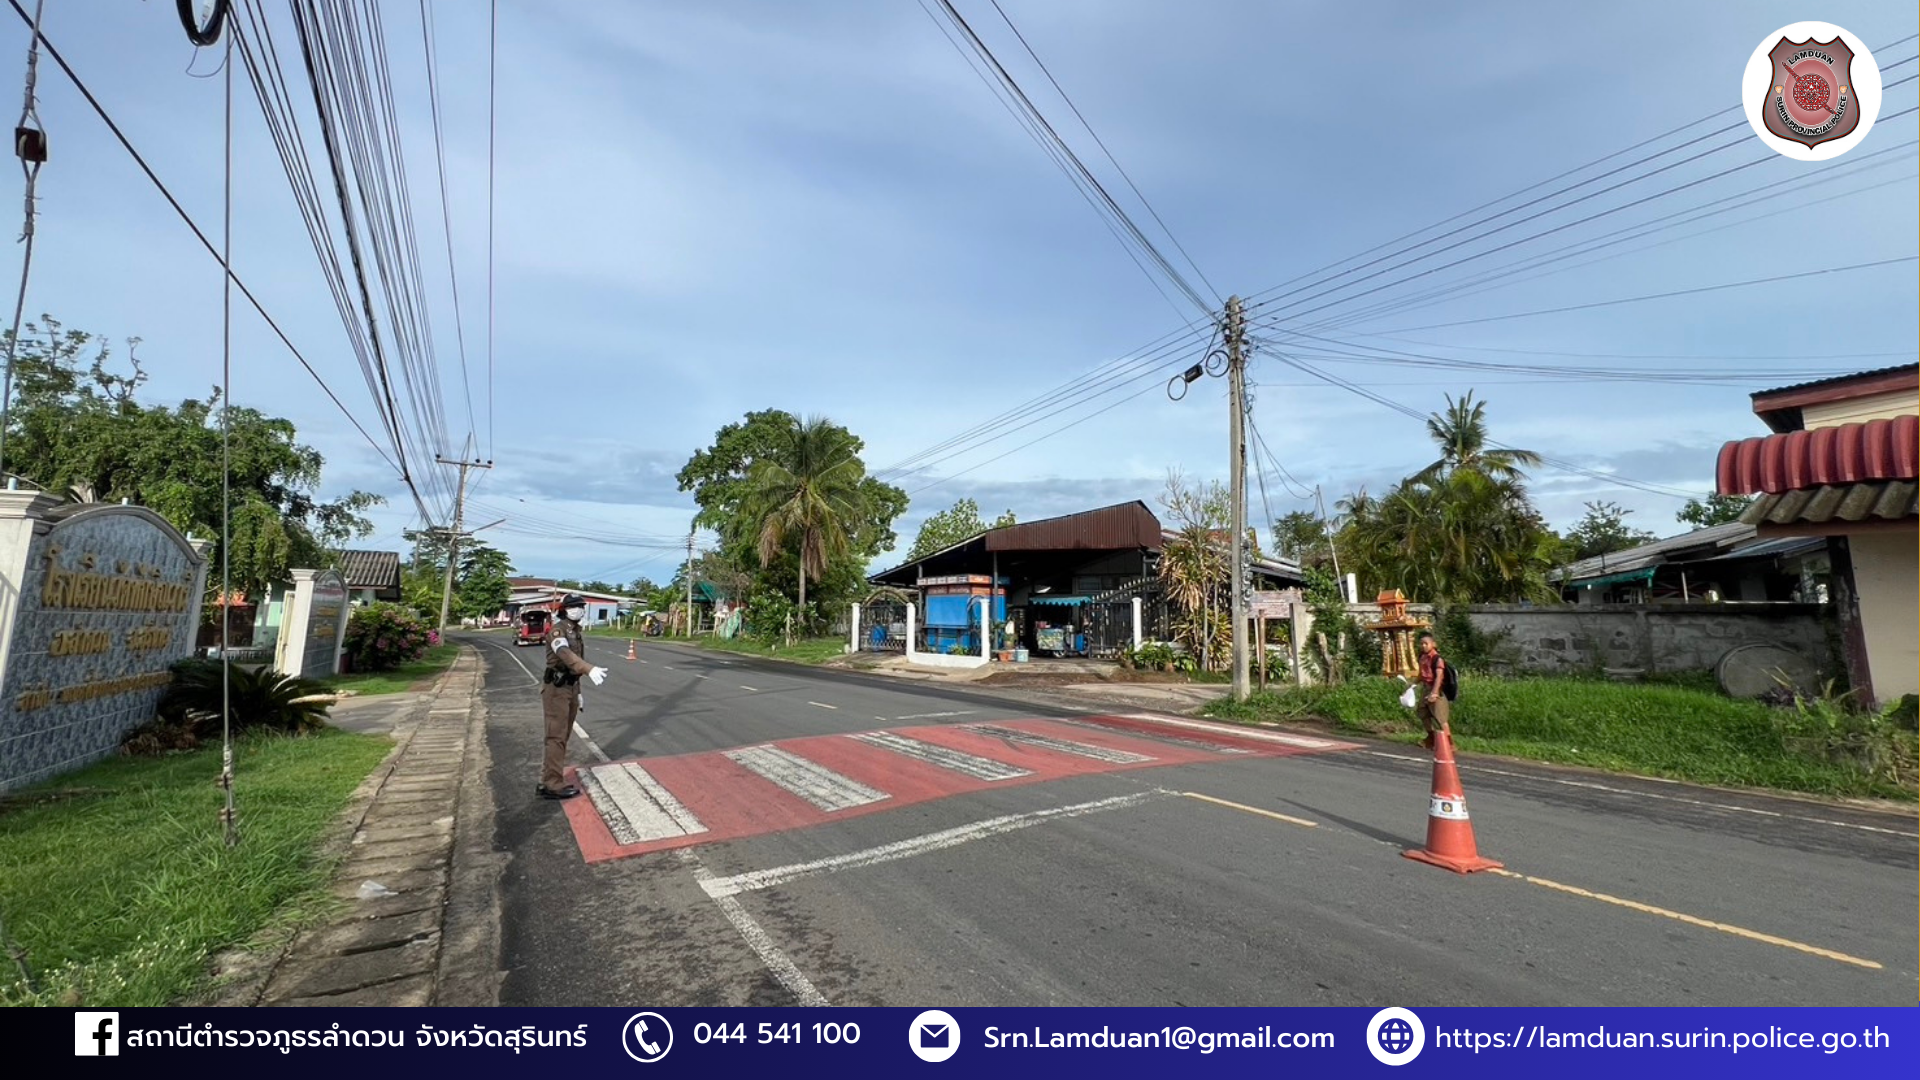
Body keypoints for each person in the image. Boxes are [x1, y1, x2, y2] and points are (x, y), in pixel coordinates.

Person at [538, 594, 607, 800]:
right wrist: (588, 668)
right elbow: (564, 653)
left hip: (570, 687)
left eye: (581, 607)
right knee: (556, 737)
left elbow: (572, 669)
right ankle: (552, 784)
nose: (578, 610)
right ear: (564, 609)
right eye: (573, 606)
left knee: (562, 737)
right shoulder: (558, 631)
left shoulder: (576, 632)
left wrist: (578, 692)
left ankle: (548, 779)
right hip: (556, 690)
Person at [1416, 633, 1449, 751]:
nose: (1423, 646)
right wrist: (1413, 684)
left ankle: (1448, 743)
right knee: (1422, 712)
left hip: (1435, 689)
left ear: (1433, 644)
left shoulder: (1437, 659)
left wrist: (1434, 693)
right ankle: (1431, 738)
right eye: (1421, 644)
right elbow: (1422, 674)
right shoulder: (1422, 657)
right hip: (1426, 688)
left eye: (1426, 643)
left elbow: (1439, 677)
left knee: (1440, 717)